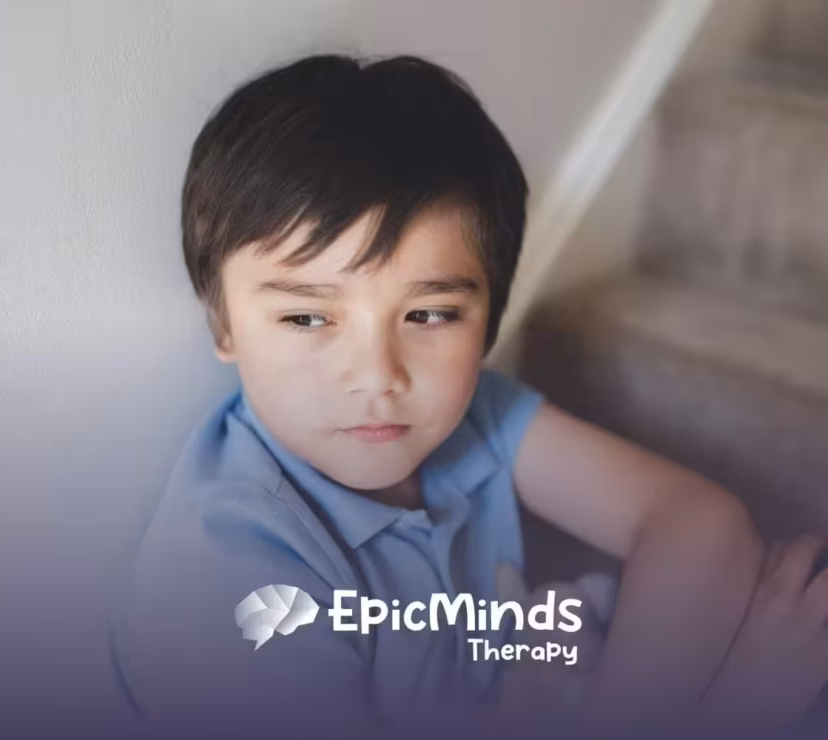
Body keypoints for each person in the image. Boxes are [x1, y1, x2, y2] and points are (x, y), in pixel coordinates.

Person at [107, 53, 828, 739]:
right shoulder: (224, 582)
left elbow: (697, 523)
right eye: (307, 317)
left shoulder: (469, 413)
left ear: (486, 320)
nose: (377, 375)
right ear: (225, 325)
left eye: (429, 315)